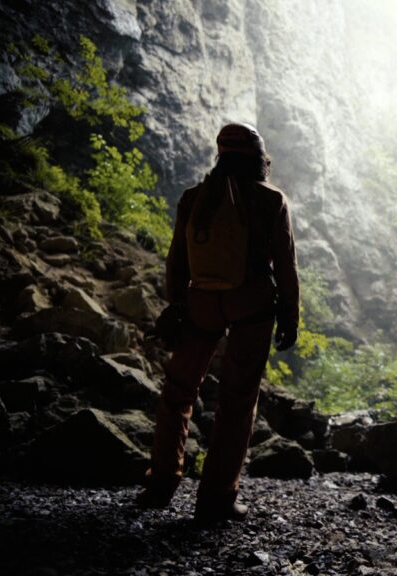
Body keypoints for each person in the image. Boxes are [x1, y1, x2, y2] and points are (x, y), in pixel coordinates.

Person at [136, 122, 300, 523]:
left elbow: (177, 260)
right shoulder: (271, 199)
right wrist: (290, 316)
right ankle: (216, 498)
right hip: (252, 304)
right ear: (258, 159)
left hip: (201, 304)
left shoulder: (195, 198)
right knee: (236, 402)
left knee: (178, 392)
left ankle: (160, 483)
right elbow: (286, 265)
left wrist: (177, 303)